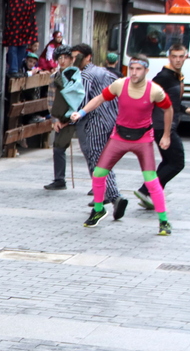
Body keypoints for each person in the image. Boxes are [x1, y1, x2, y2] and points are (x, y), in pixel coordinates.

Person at [70, 54, 174, 235]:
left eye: (138, 69)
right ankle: (98, 210)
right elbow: (99, 99)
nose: (134, 72)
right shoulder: (120, 84)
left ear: (146, 71)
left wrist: (166, 135)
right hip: (119, 136)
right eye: (131, 68)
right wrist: (81, 113)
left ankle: (164, 221)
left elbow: (168, 109)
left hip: (143, 139)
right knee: (99, 173)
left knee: (151, 181)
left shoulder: (154, 90)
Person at [133, 44, 190, 209]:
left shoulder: (176, 76)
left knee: (168, 161)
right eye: (174, 56)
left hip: (168, 124)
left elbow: (170, 100)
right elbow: (148, 95)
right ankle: (147, 191)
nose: (178, 60)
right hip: (162, 126)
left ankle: (150, 193)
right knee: (177, 162)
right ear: (169, 57)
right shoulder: (163, 77)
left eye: (181, 56)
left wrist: (185, 109)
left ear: (186, 57)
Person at [71, 43, 125, 217]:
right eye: (73, 57)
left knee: (98, 159)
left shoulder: (85, 75)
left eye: (77, 57)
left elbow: (82, 100)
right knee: (103, 158)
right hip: (112, 119)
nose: (74, 60)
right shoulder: (105, 73)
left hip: (95, 121)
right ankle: (106, 196)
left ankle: (114, 196)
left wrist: (69, 117)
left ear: (88, 57)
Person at [44, 47, 82, 190]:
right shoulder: (55, 77)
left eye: (65, 58)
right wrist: (55, 120)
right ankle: (59, 179)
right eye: (60, 58)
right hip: (62, 117)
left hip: (80, 114)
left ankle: (98, 183)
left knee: (89, 149)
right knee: (58, 148)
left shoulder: (78, 75)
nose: (62, 61)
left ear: (72, 59)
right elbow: (51, 99)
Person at [3, 0, 45, 76]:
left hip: (25, 29)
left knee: (22, 50)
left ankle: (17, 69)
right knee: (12, 50)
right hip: (13, 28)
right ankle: (13, 70)